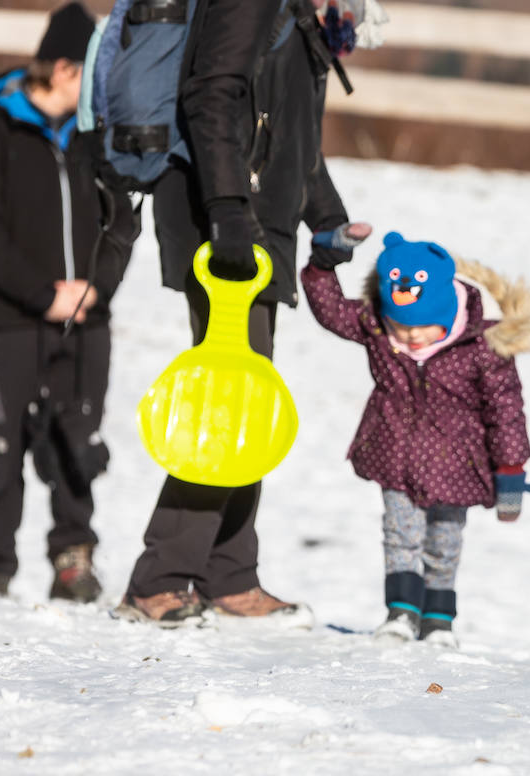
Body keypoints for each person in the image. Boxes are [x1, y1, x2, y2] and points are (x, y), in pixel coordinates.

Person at [115, 0, 367, 627]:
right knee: (228, 405)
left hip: (259, 227)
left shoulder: (298, 17)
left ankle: (228, 574)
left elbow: (291, 133)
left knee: (246, 400)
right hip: (225, 229)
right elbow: (211, 96)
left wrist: (326, 218)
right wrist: (229, 209)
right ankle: (160, 579)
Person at [0, 2, 135, 603]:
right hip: (14, 319)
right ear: (63, 70)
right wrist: (41, 294)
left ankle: (72, 557)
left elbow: (123, 226)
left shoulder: (98, 141)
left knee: (77, 439)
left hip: (87, 322)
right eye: (91, 71)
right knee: (6, 443)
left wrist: (94, 289)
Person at [299, 232, 530, 646]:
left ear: (447, 313)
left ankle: (438, 620)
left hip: (459, 465)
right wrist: (323, 264)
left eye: (422, 327)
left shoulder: (482, 348)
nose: (411, 336)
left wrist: (511, 471)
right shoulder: (378, 327)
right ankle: (401, 613)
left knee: (444, 544)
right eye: (402, 325)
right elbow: (331, 311)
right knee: (400, 536)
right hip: (394, 456)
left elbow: (506, 412)